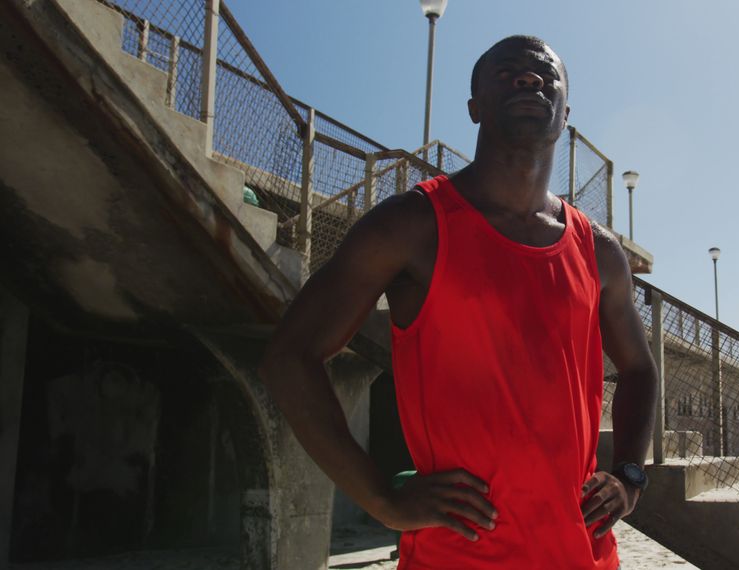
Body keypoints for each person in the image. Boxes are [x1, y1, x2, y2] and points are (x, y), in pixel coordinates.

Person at [259, 35, 658, 569]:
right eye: (507, 71)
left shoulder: (599, 251)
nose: (529, 78)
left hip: (582, 554)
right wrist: (383, 500)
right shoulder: (410, 226)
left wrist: (630, 474)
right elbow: (290, 357)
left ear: (565, 113)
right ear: (473, 106)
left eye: (546, 74)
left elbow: (639, 369)